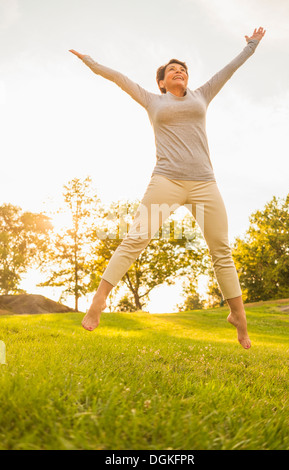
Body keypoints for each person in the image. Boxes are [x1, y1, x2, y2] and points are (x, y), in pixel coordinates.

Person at [69, 27, 266, 348]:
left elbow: (228, 70)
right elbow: (120, 78)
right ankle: (99, 300)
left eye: (183, 70)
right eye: (172, 70)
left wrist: (252, 46)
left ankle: (239, 317)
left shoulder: (202, 94)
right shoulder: (151, 100)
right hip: (166, 180)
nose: (180, 72)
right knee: (136, 239)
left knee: (221, 250)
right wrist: (91, 62)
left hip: (204, 183)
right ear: (161, 82)